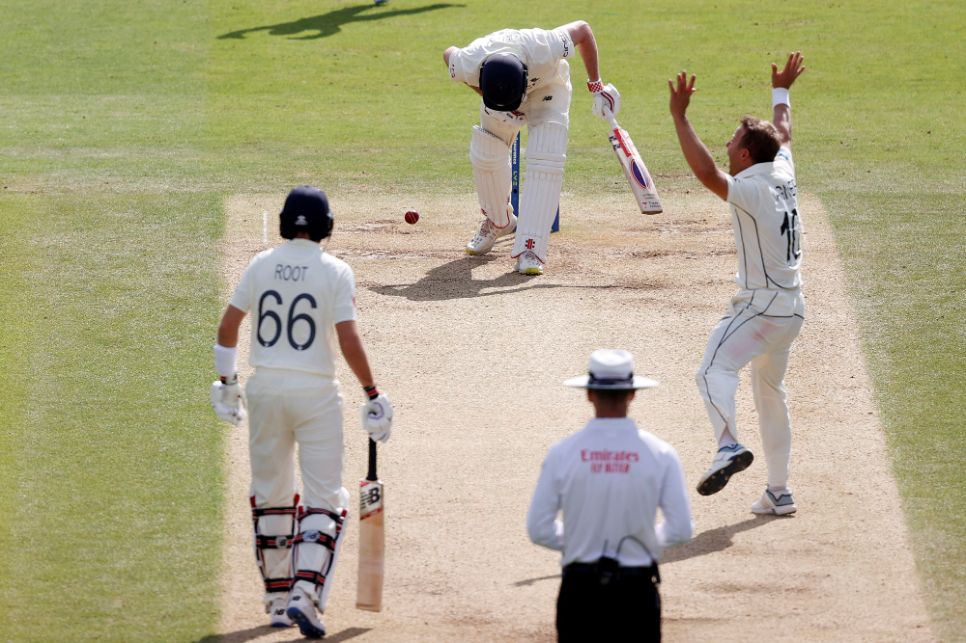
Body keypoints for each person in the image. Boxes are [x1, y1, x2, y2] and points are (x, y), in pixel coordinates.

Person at [209, 185, 394, 638]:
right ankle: (305, 593)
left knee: (271, 494)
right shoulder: (336, 271)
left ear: (283, 223)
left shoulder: (261, 263)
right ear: (327, 226)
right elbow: (348, 340)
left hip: (265, 389)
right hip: (315, 395)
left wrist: (228, 383)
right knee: (326, 499)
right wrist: (372, 392)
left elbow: (228, 327)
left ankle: (276, 600)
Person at [668, 52, 807, 515]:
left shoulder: (750, 189)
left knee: (712, 370)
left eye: (732, 140)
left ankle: (727, 445)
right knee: (770, 394)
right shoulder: (783, 170)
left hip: (762, 309)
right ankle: (779, 490)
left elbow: (707, 173)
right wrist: (780, 91)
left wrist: (679, 117)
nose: (726, 143)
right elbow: (782, 130)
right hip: (792, 311)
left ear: (745, 156)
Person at [527, 349, 693, 641]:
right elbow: (680, 529)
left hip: (580, 590)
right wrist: (641, 542)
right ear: (632, 395)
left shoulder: (563, 453)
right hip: (636, 589)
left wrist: (581, 539)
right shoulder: (660, 453)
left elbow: (539, 529)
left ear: (589, 394)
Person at [443, 21, 620, 276]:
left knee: (546, 158)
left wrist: (597, 86)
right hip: (498, 94)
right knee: (486, 151)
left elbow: (583, 30)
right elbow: (448, 53)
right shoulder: (470, 59)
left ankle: (531, 248)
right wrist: (484, 93)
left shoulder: (543, 46)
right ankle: (498, 221)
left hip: (549, 89)